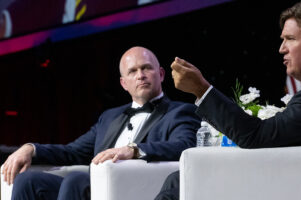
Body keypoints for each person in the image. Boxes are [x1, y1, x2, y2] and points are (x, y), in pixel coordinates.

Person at [155, 2, 301, 199]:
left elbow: (256, 136)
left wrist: (201, 89)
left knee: (178, 181)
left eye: (290, 39)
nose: (281, 49)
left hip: (293, 186)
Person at [1, 46, 201, 200]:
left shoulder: (180, 111)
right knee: (28, 180)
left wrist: (134, 150)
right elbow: (73, 151)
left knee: (77, 180)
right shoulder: (109, 117)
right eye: (132, 71)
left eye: (146, 68)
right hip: (93, 189)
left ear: (161, 74)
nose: (140, 75)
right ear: (123, 83)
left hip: (134, 189)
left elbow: (184, 146)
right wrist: (31, 149)